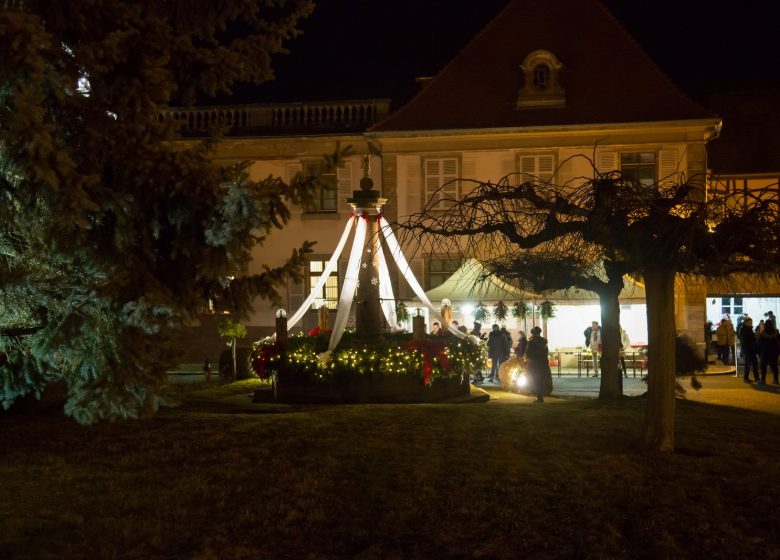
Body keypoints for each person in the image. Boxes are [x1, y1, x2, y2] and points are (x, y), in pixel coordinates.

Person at [525, 326, 551, 402]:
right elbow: (546, 353)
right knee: (541, 380)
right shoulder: (544, 342)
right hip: (543, 363)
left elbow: (528, 353)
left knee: (536, 380)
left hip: (534, 364)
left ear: (532, 333)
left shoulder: (531, 342)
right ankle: (540, 397)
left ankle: (539, 397)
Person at [757, 319, 779, 385]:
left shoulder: (763, 334)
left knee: (764, 366)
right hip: (774, 352)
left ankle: (763, 380)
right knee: (774, 366)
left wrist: (759, 352)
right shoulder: (776, 333)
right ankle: (776, 380)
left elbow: (759, 344)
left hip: (765, 352)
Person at [739, 317, 760, 383]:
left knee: (755, 364)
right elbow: (744, 341)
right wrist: (744, 350)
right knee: (748, 364)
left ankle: (756, 377)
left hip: (752, 349)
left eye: (751, 322)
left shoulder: (749, 329)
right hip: (748, 350)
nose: (751, 323)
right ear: (746, 322)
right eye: (750, 322)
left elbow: (752, 340)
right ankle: (746, 378)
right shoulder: (743, 329)